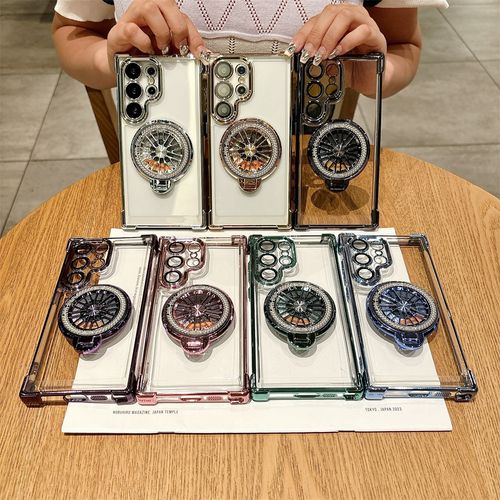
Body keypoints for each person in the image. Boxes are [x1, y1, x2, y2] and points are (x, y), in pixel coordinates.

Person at [52, 0, 446, 97]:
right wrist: (110, 61)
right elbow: (73, 31)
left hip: (313, 175)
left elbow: (402, 44)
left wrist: (372, 72)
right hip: (161, 167)